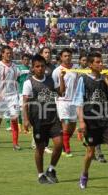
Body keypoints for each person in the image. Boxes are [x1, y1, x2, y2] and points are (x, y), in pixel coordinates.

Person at [74, 52, 108, 191]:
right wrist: (81, 121)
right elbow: (79, 102)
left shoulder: (105, 79)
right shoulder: (83, 79)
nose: (101, 64)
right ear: (90, 64)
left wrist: (107, 80)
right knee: (90, 153)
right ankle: (84, 175)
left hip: (105, 119)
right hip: (90, 120)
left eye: (101, 62)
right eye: (98, 62)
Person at [23, 54, 65, 184]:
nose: (40, 68)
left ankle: (51, 169)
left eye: (42, 66)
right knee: (40, 148)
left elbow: (61, 92)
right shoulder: (28, 82)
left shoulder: (51, 79)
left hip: (53, 118)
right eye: (37, 66)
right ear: (33, 68)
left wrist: (61, 78)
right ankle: (41, 175)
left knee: (59, 144)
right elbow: (25, 102)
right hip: (38, 120)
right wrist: (25, 119)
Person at [0, 46, 20, 150]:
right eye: (7, 53)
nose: (9, 54)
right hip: (1, 97)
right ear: (2, 54)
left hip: (13, 96)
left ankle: (15, 144)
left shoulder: (15, 66)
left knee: (14, 118)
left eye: (10, 53)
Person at [52, 48, 78, 157]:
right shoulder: (57, 71)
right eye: (65, 56)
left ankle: (63, 143)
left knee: (72, 127)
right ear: (61, 57)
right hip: (62, 101)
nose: (67, 57)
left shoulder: (76, 68)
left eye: (69, 55)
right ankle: (66, 150)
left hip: (75, 101)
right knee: (66, 126)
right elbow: (57, 89)